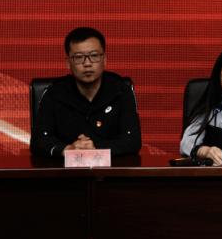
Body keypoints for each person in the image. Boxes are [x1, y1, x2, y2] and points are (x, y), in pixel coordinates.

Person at [31, 27, 141, 157]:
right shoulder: (54, 94)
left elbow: (133, 141)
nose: (87, 63)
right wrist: (66, 149)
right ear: (68, 63)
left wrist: (96, 149)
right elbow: (38, 142)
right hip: (65, 168)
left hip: (112, 168)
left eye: (94, 56)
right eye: (79, 57)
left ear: (105, 59)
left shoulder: (121, 91)